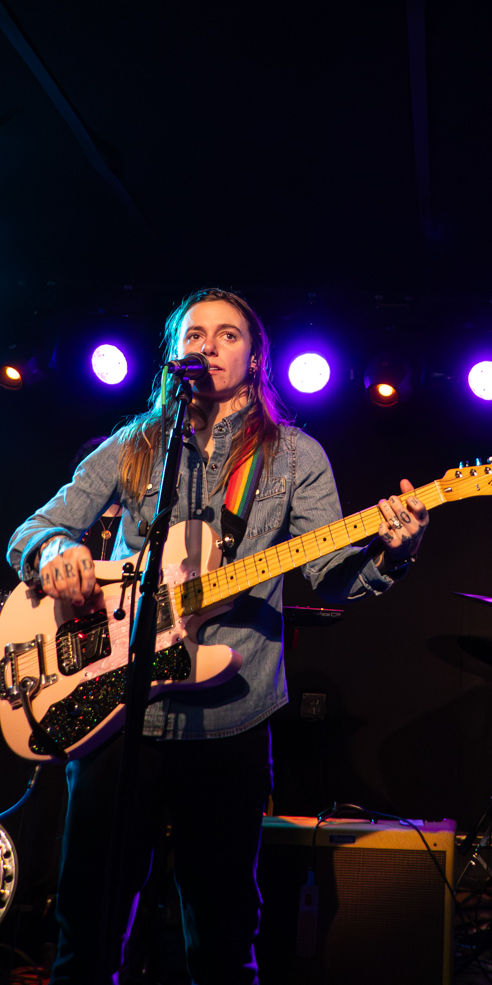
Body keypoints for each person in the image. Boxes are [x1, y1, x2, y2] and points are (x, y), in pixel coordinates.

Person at [7, 287, 428, 985]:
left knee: (225, 930)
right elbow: (32, 527)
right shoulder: (136, 443)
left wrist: (393, 552)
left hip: (232, 717)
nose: (209, 344)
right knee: (87, 923)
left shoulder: (295, 454)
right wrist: (55, 551)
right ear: (175, 354)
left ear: (255, 356)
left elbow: (330, 576)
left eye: (227, 334)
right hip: (118, 717)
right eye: (194, 334)